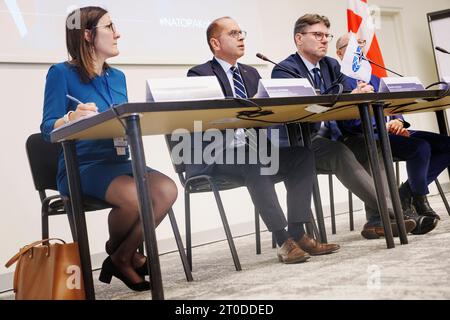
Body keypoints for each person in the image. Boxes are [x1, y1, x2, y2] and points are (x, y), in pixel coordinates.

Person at [40, 6, 178, 291]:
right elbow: (46, 129)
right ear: (88, 35)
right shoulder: (60, 73)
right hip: (81, 166)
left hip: (118, 160)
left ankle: (120, 255)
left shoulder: (117, 77)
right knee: (134, 197)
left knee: (167, 190)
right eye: (110, 27)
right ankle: (127, 257)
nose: (118, 34)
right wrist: (69, 118)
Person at [184, 16, 340, 264]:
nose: (241, 37)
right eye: (234, 33)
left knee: (302, 154)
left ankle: (298, 233)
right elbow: (205, 118)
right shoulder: (200, 74)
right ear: (215, 43)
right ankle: (283, 240)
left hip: (255, 148)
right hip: (218, 153)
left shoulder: (251, 73)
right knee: (254, 160)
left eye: (241, 32)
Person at [271, 14, 417, 239]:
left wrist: (359, 93)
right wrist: (345, 96)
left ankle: (378, 221)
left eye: (326, 35)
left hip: (333, 135)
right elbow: (305, 108)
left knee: (371, 143)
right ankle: (395, 212)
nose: (324, 40)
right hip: (300, 141)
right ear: (299, 39)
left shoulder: (330, 65)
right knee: (338, 152)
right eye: (317, 35)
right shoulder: (284, 70)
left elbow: (344, 94)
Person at [334, 32, 448, 234]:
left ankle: (405, 194)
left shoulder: (376, 77)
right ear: (340, 53)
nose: (359, 48)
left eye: (361, 43)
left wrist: (398, 121)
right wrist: (383, 125)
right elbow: (350, 122)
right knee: (420, 147)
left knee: (446, 145)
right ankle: (419, 198)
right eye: (352, 45)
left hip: (394, 131)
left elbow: (395, 107)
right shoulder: (341, 82)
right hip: (370, 134)